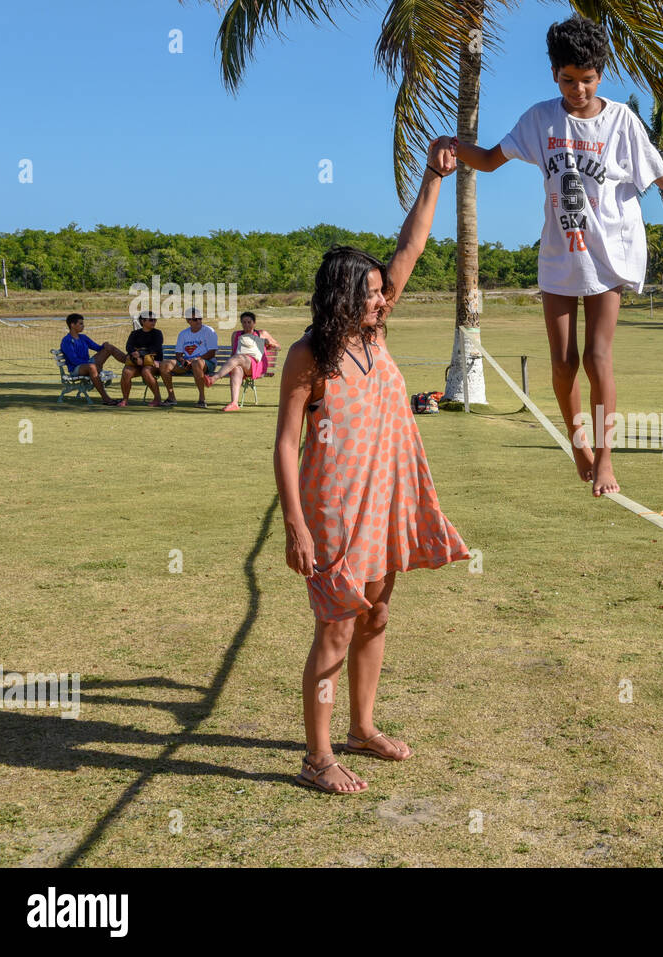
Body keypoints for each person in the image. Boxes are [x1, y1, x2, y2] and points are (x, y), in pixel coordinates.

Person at [450, 15, 663, 497]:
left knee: (597, 357)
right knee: (562, 362)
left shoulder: (621, 123)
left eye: (586, 80)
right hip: (558, 257)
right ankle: (578, 445)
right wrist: (449, 147)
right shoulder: (540, 119)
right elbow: (489, 160)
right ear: (555, 74)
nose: (577, 89)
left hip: (611, 254)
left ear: (601, 73)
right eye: (568, 80)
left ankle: (607, 458)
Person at [274, 136, 469, 794]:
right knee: (335, 627)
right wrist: (296, 528)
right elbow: (282, 443)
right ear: (343, 297)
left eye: (386, 292)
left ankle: (362, 727)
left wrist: (433, 179)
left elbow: (410, 246)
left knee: (376, 615)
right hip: (331, 508)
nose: (385, 300)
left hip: (384, 497)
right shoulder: (307, 356)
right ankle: (317, 757)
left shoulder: (376, 334)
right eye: (374, 293)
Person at [203, 311, 280, 411]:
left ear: (254, 323)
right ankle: (234, 403)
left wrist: (269, 343)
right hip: (239, 362)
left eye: (249, 322)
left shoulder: (261, 333)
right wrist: (231, 365)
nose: (246, 325)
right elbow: (233, 352)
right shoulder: (236, 334)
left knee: (239, 358)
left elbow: (278, 346)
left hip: (255, 365)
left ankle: (214, 378)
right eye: (244, 322)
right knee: (236, 368)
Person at [59, 314, 127, 405]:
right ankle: (106, 399)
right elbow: (73, 360)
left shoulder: (83, 337)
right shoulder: (66, 340)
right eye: (81, 324)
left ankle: (129, 361)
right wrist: (93, 365)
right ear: (72, 325)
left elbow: (97, 348)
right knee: (92, 367)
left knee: (109, 347)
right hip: (76, 368)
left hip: (88, 364)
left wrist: (104, 345)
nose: (83, 326)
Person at [158, 307, 219, 407]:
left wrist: (195, 359)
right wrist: (182, 361)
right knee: (164, 364)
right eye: (195, 319)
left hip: (207, 362)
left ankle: (202, 399)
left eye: (200, 318)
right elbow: (178, 353)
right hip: (187, 363)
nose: (198, 321)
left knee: (196, 363)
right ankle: (171, 397)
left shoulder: (209, 331)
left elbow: (212, 353)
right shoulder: (183, 334)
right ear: (188, 320)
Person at [119, 311, 164, 407]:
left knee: (146, 371)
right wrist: (134, 354)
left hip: (153, 362)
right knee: (126, 371)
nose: (154, 322)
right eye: (151, 320)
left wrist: (140, 354)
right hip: (136, 362)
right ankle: (125, 399)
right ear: (142, 321)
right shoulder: (135, 334)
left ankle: (157, 399)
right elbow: (129, 347)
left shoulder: (157, 333)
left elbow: (155, 348)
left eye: (155, 320)